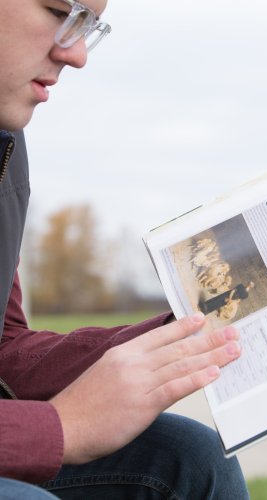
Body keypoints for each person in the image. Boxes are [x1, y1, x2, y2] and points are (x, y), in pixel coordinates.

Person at [0, 1, 249, 498]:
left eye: (89, 25)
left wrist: (182, 331)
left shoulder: (7, 147)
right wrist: (62, 428)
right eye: (59, 11)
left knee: (190, 461)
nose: (76, 55)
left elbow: (5, 351)